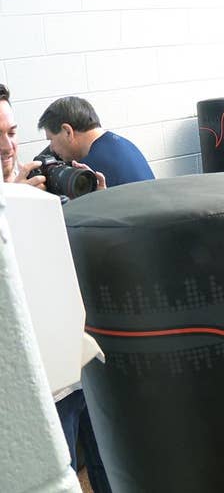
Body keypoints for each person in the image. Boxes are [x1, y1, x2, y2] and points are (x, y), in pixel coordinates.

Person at [3, 85, 112, 492]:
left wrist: (94, 205)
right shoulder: (12, 202)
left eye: (11, 132)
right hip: (37, 388)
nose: (7, 145)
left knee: (108, 470)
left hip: (78, 364)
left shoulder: (33, 193)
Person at [37, 96, 154, 187]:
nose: (51, 148)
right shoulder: (122, 144)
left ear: (67, 131)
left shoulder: (91, 167)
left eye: (51, 139)